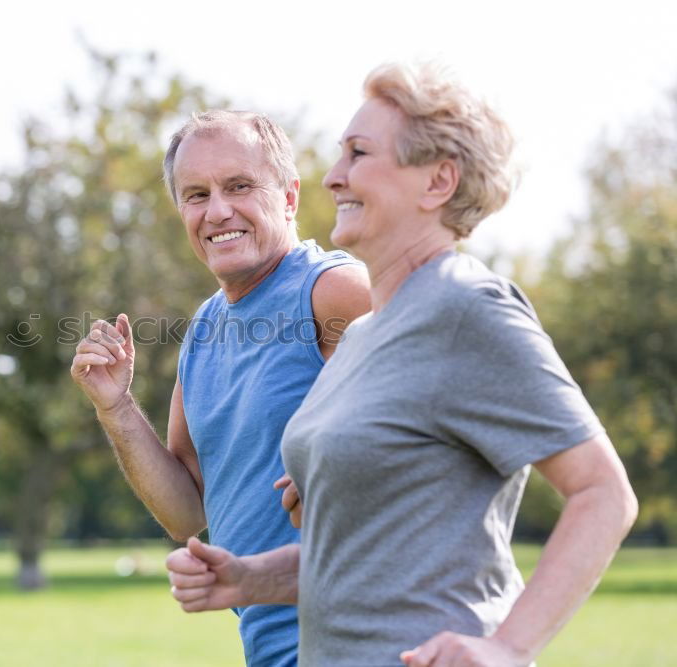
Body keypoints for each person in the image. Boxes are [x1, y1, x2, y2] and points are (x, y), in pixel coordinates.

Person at [165, 63, 638, 666]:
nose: (334, 177)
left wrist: (509, 646)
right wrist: (249, 578)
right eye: (340, 156)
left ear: (438, 181)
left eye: (358, 154)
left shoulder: (465, 307)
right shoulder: (366, 333)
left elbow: (604, 492)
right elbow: (386, 550)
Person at [70, 110, 371, 666]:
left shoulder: (335, 293)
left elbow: (447, 418)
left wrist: (349, 469)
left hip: (364, 641)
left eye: (238, 186)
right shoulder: (204, 332)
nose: (217, 211)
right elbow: (188, 514)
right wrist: (116, 407)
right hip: (272, 648)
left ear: (288, 196)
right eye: (196, 194)